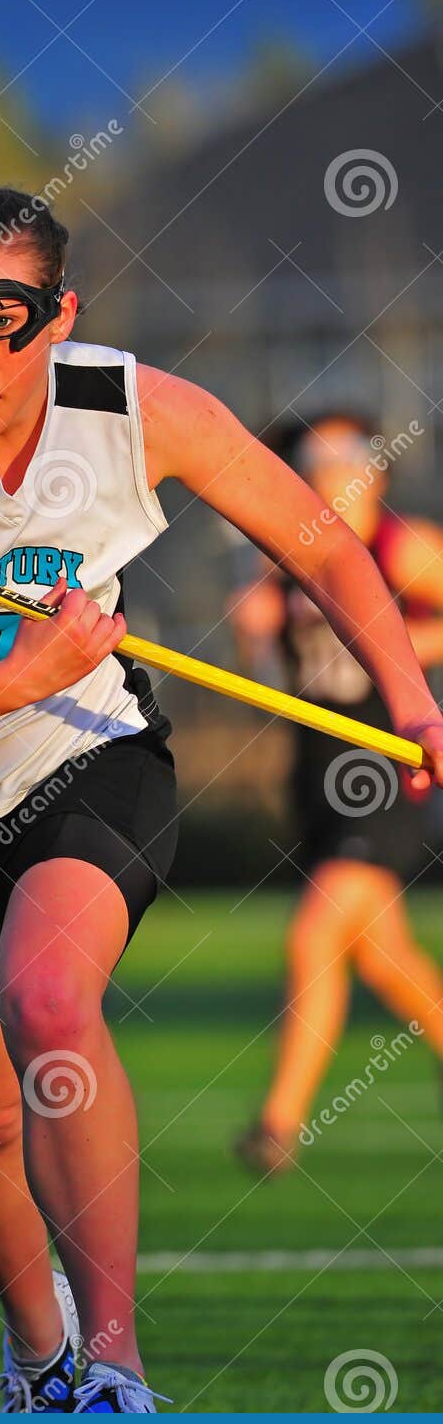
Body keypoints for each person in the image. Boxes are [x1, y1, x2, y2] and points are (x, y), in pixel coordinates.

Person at [0, 187, 443, 1413]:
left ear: (59, 314)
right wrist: (20, 670)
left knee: (50, 995)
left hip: (85, 749)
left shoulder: (141, 411)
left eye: (2, 316)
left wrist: (411, 698)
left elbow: (315, 538)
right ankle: (38, 1356)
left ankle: (119, 1366)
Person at [230, 414, 443, 1174]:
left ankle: (276, 1123)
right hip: (315, 779)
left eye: (347, 452)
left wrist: (400, 640)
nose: (331, 467)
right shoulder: (281, 559)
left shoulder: (404, 547)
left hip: (382, 771)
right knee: (384, 962)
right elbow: (268, 690)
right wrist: (252, 640)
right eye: (314, 456)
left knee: (313, 939)